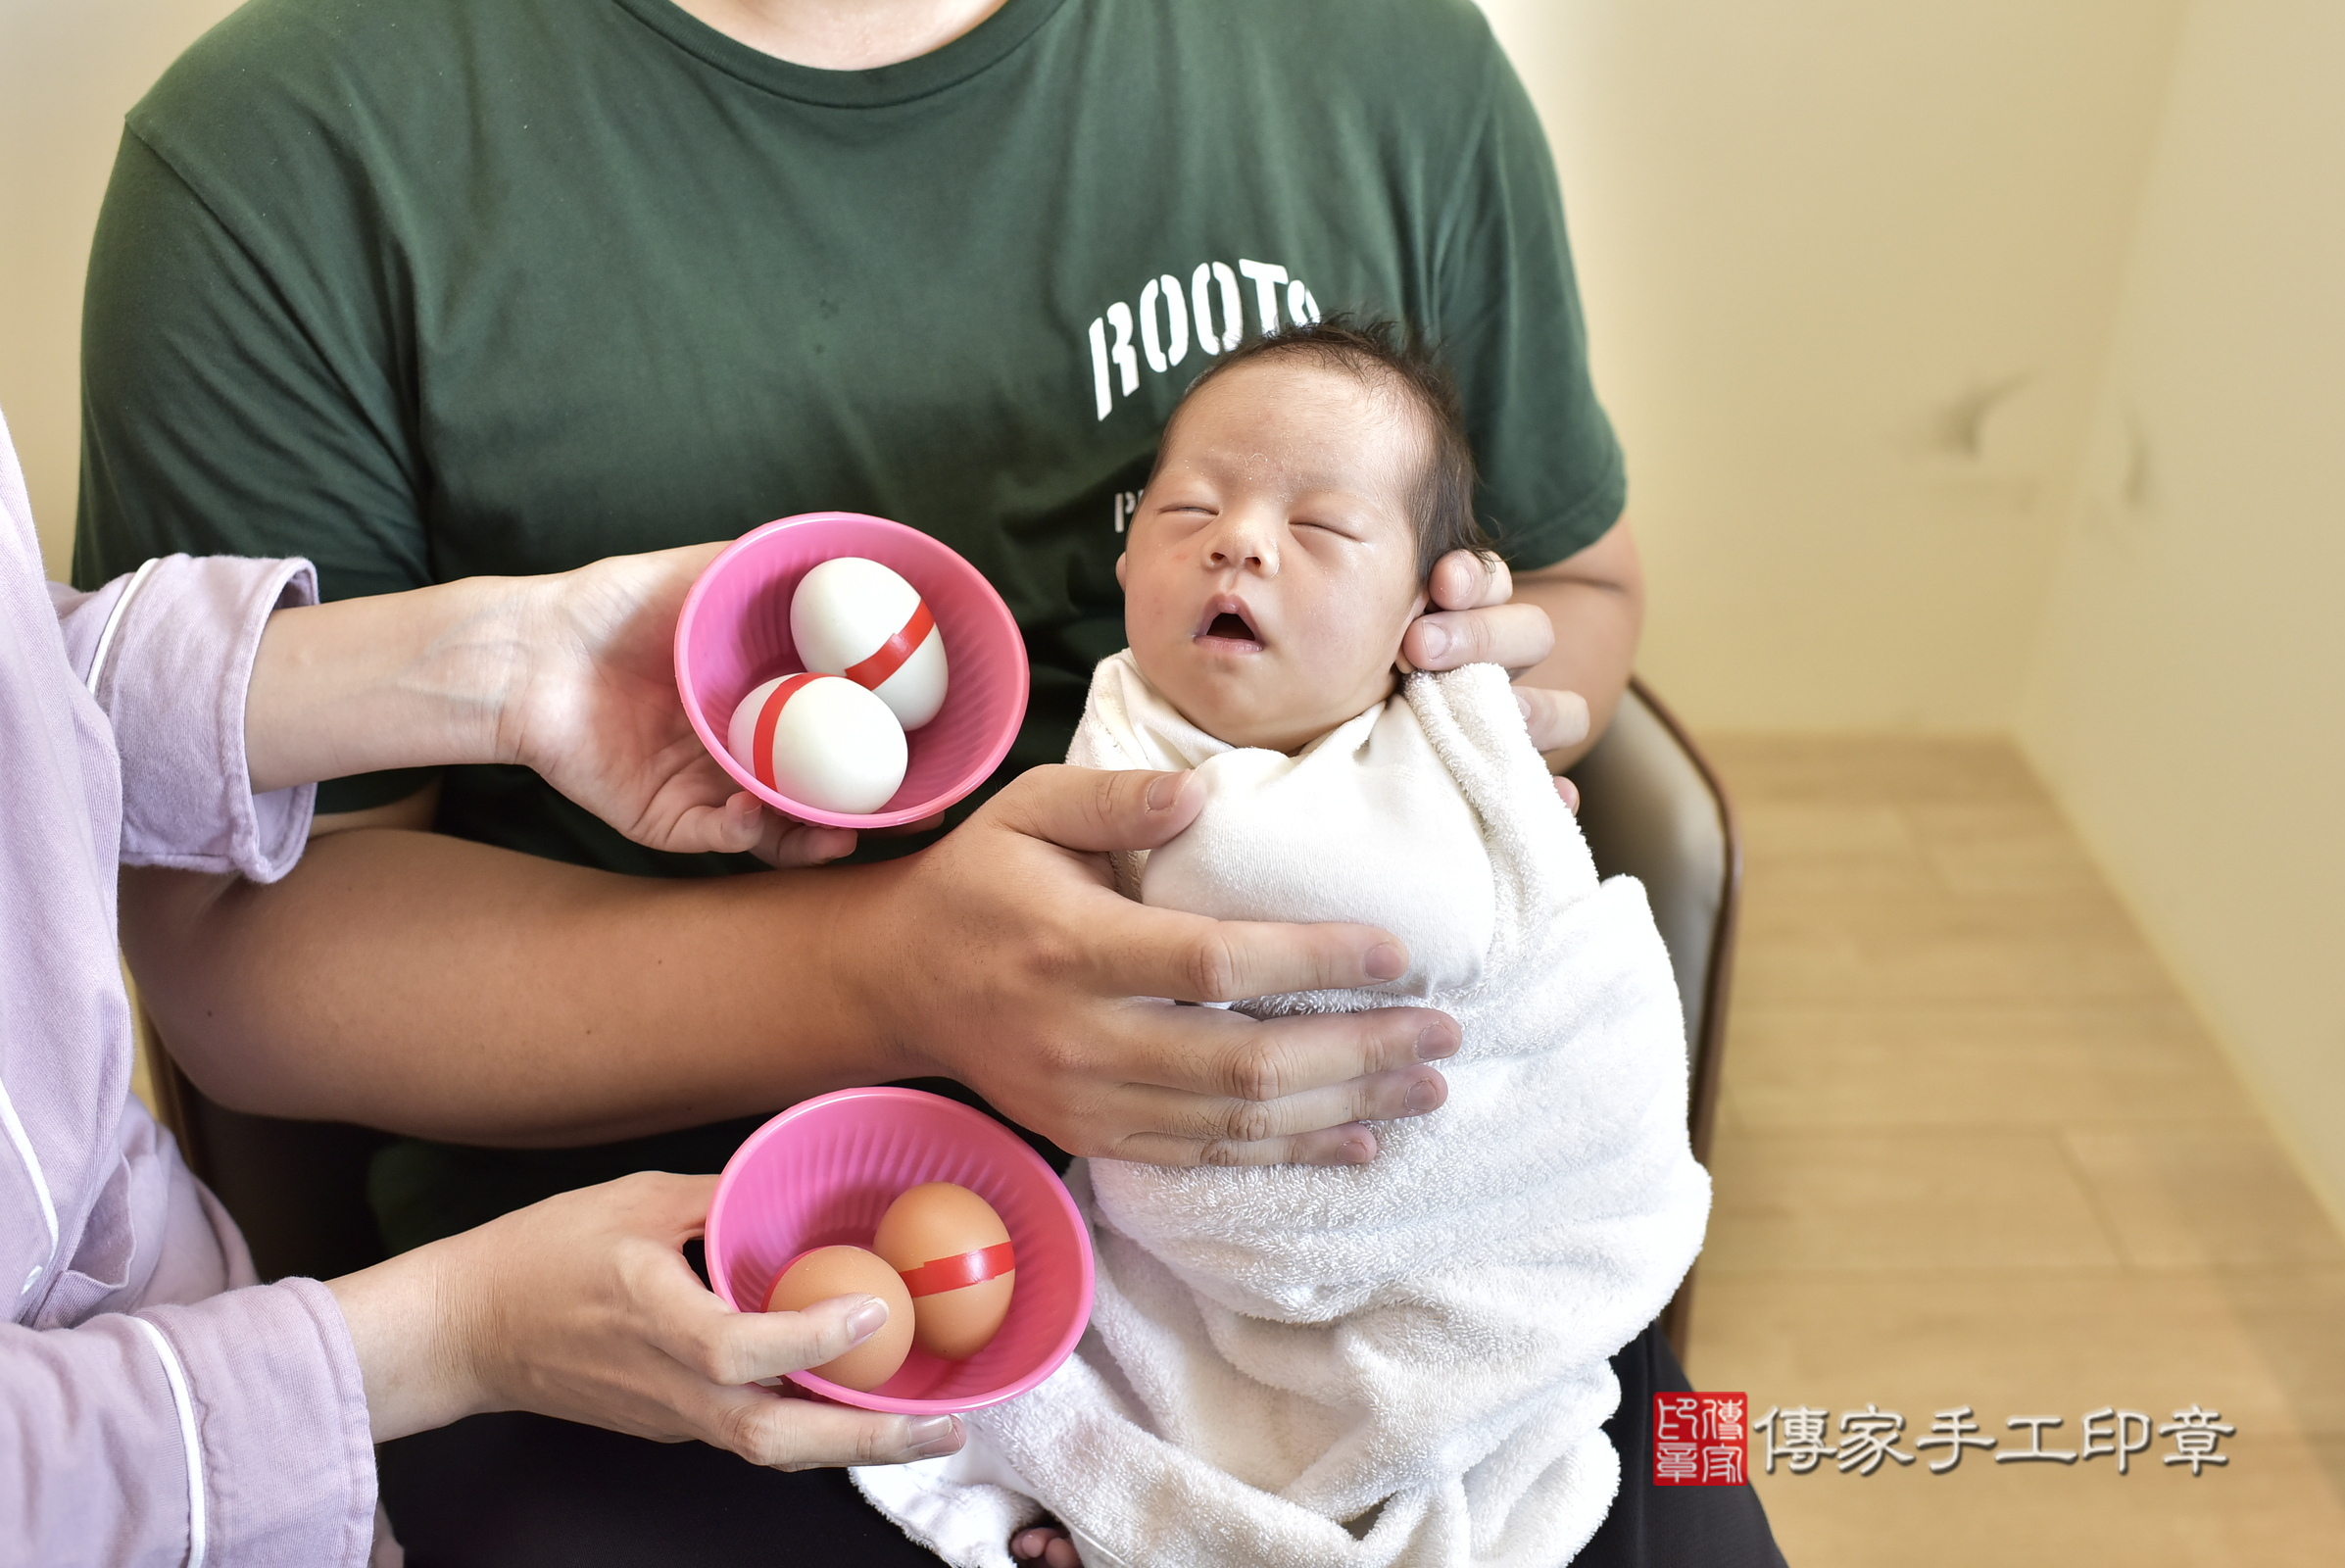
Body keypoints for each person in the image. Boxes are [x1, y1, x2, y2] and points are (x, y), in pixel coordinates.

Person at [73, 0, 1650, 1554]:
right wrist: (893, 975)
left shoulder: (1381, 60)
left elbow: (1580, 597)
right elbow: (235, 945)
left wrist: (1463, 737)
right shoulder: (299, 143)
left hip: (1350, 1257)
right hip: (663, 1286)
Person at [855, 321, 1770, 1567]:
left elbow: (1444, 933)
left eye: (1324, 529)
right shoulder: (1123, 737)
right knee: (1107, 1363)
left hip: (1471, 1208)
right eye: (1189, 509)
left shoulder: (1451, 747)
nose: (1239, 539)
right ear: (1126, 570)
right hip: (1191, 1241)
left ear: (1425, 609)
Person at [0, 407, 967, 1566]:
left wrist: (515, 665)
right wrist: (457, 1334)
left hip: (200, 1344)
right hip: (192, 1445)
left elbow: (28, 706)